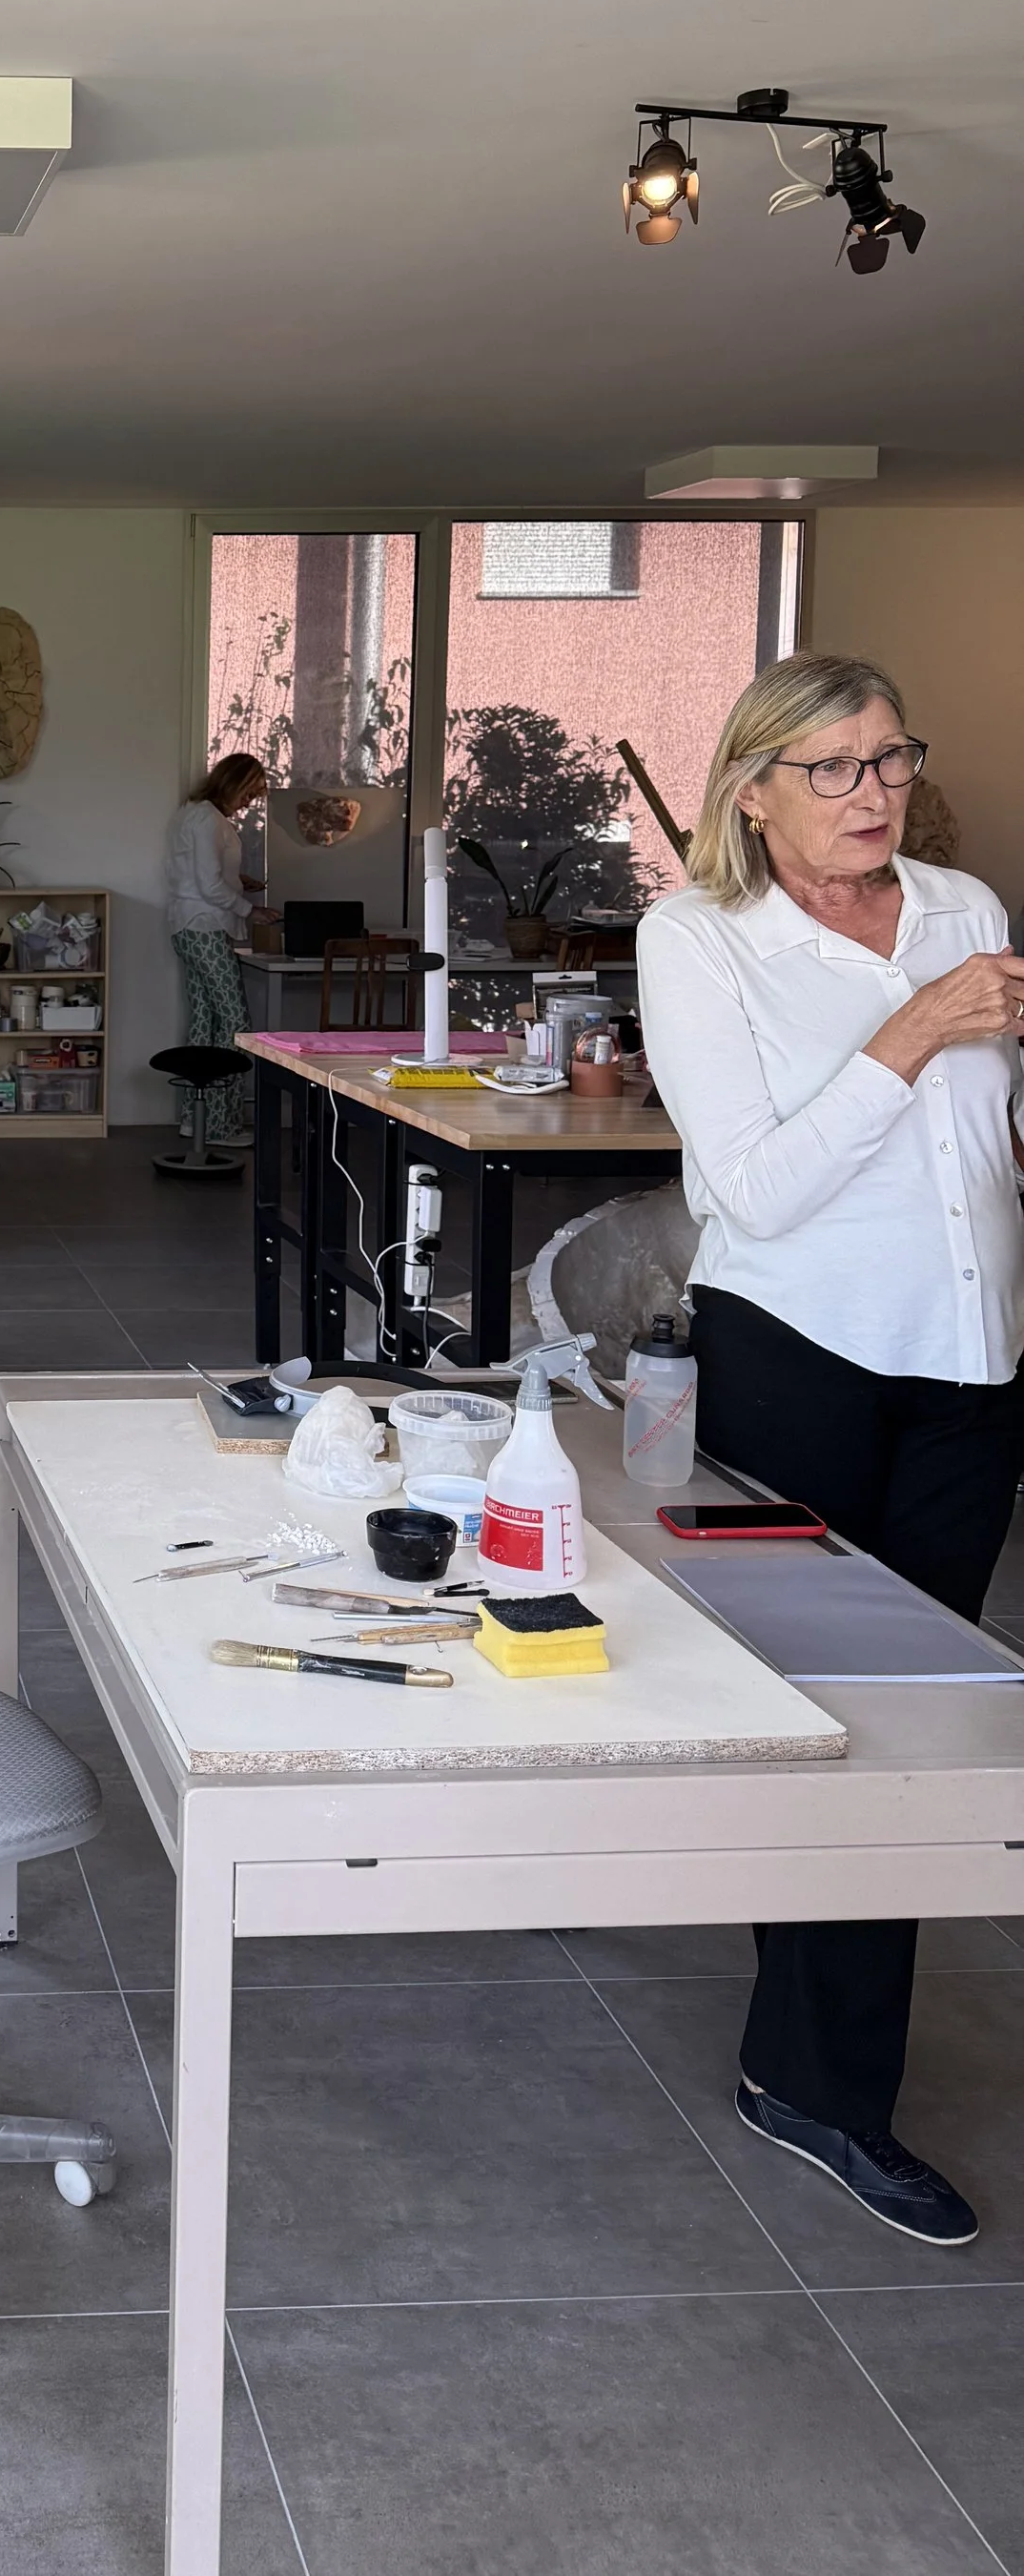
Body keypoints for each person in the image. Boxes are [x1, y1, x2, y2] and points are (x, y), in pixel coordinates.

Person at [639, 651, 1024, 2247]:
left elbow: (986, 1139)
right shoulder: (699, 937)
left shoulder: (963, 906)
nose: (879, 793)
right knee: (829, 1723)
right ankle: (821, 2084)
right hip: (801, 1364)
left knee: (921, 1725)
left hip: (973, 1365)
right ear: (753, 790)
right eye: (837, 767)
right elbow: (756, 1189)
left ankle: (811, 2057)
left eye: (893, 758)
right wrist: (914, 1030)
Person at [165, 752, 268, 1151]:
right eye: (249, 792)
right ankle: (222, 1125)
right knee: (235, 1022)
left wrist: (237, 880)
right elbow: (208, 886)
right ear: (232, 782)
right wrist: (250, 910)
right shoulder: (209, 819)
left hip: (186, 925)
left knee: (204, 1021)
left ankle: (195, 1121)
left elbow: (198, 875)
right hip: (205, 927)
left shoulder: (191, 813)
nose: (249, 801)